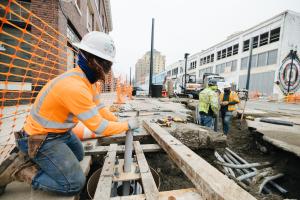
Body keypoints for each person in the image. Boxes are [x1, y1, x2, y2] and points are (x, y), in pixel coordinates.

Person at [0, 31, 139, 195]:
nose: (107, 70)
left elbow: (101, 110)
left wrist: (117, 120)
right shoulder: (75, 87)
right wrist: (125, 126)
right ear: (93, 62)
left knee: (79, 155)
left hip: (60, 133)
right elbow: (99, 127)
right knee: (74, 183)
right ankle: (20, 170)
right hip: (40, 138)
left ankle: (39, 159)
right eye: (105, 64)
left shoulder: (87, 82)